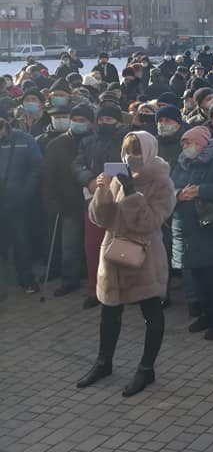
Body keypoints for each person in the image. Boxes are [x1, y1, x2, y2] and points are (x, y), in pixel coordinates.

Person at [77, 131, 176, 397]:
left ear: (149, 152)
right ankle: (103, 363)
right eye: (127, 151)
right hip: (113, 253)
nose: (131, 157)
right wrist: (102, 190)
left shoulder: (162, 182)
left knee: (151, 311)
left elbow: (150, 222)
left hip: (144, 256)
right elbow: (101, 219)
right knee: (109, 310)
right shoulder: (118, 177)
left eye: (136, 151)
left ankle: (146, 368)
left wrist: (131, 193)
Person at [171, 126, 213, 340]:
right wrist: (178, 194)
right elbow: (169, 188)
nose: (186, 147)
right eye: (184, 143)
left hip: (211, 228)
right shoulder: (182, 164)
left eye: (190, 142)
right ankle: (206, 315)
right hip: (189, 228)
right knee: (198, 275)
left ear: (202, 144)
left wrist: (201, 191)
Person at [73, 102, 129, 308]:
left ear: (118, 122)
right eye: (102, 119)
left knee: (119, 245)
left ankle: (121, 287)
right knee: (93, 245)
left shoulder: (126, 140)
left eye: (109, 119)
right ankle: (95, 288)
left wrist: (109, 177)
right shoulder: (87, 141)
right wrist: (89, 179)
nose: (105, 123)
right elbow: (77, 164)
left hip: (119, 200)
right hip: (94, 199)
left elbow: (130, 166)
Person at [43, 104, 95, 297]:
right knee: (69, 246)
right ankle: (69, 280)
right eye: (75, 120)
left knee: (94, 244)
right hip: (68, 202)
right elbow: (48, 176)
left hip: (94, 202)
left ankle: (94, 279)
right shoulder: (57, 144)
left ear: (90, 123)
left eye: (83, 120)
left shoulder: (95, 141)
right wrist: (52, 201)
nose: (78, 123)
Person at [0, 110, 43, 293]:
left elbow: (36, 167)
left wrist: (26, 192)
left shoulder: (25, 140)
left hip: (17, 200)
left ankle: (27, 280)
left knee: (21, 241)